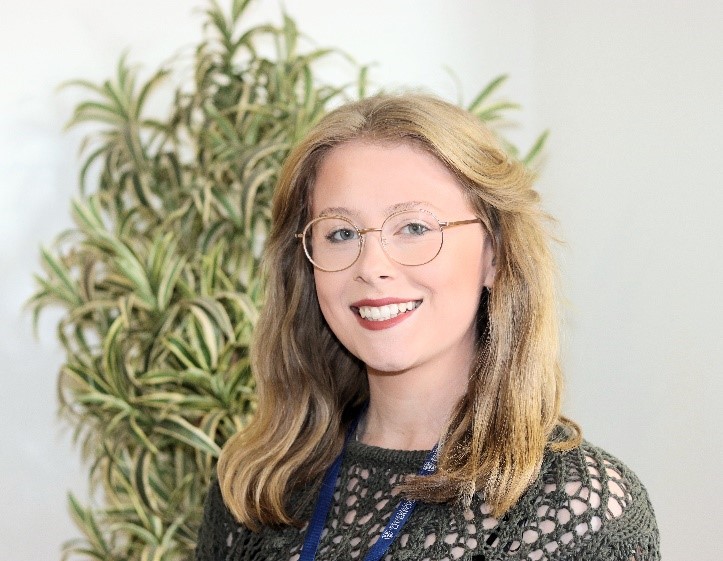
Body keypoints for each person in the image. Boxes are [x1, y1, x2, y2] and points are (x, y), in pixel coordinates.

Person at [195, 93, 660, 560]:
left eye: (414, 227)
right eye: (341, 233)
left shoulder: (578, 510)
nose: (372, 266)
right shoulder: (257, 486)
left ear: (494, 255)